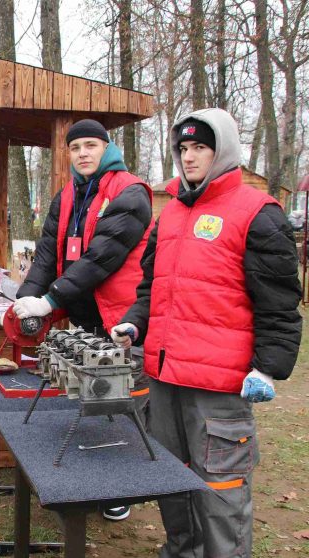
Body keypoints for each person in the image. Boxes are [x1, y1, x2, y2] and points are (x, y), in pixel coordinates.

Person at [111, 108, 302, 557]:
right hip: (164, 377)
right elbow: (151, 287)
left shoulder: (258, 213)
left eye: (200, 147)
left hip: (218, 386)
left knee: (221, 492)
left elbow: (278, 302)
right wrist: (136, 322)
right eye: (184, 148)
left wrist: (268, 368)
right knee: (172, 484)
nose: (190, 157)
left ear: (224, 150)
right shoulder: (171, 214)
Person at [12, 119, 152, 521]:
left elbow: (101, 257)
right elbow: (46, 254)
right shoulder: (67, 194)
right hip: (84, 317)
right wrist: (28, 302)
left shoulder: (129, 192)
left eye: (91, 145)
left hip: (121, 320)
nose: (83, 154)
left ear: (107, 148)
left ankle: (121, 489)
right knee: (93, 401)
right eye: (75, 148)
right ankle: (94, 481)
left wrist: (51, 298)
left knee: (124, 406)